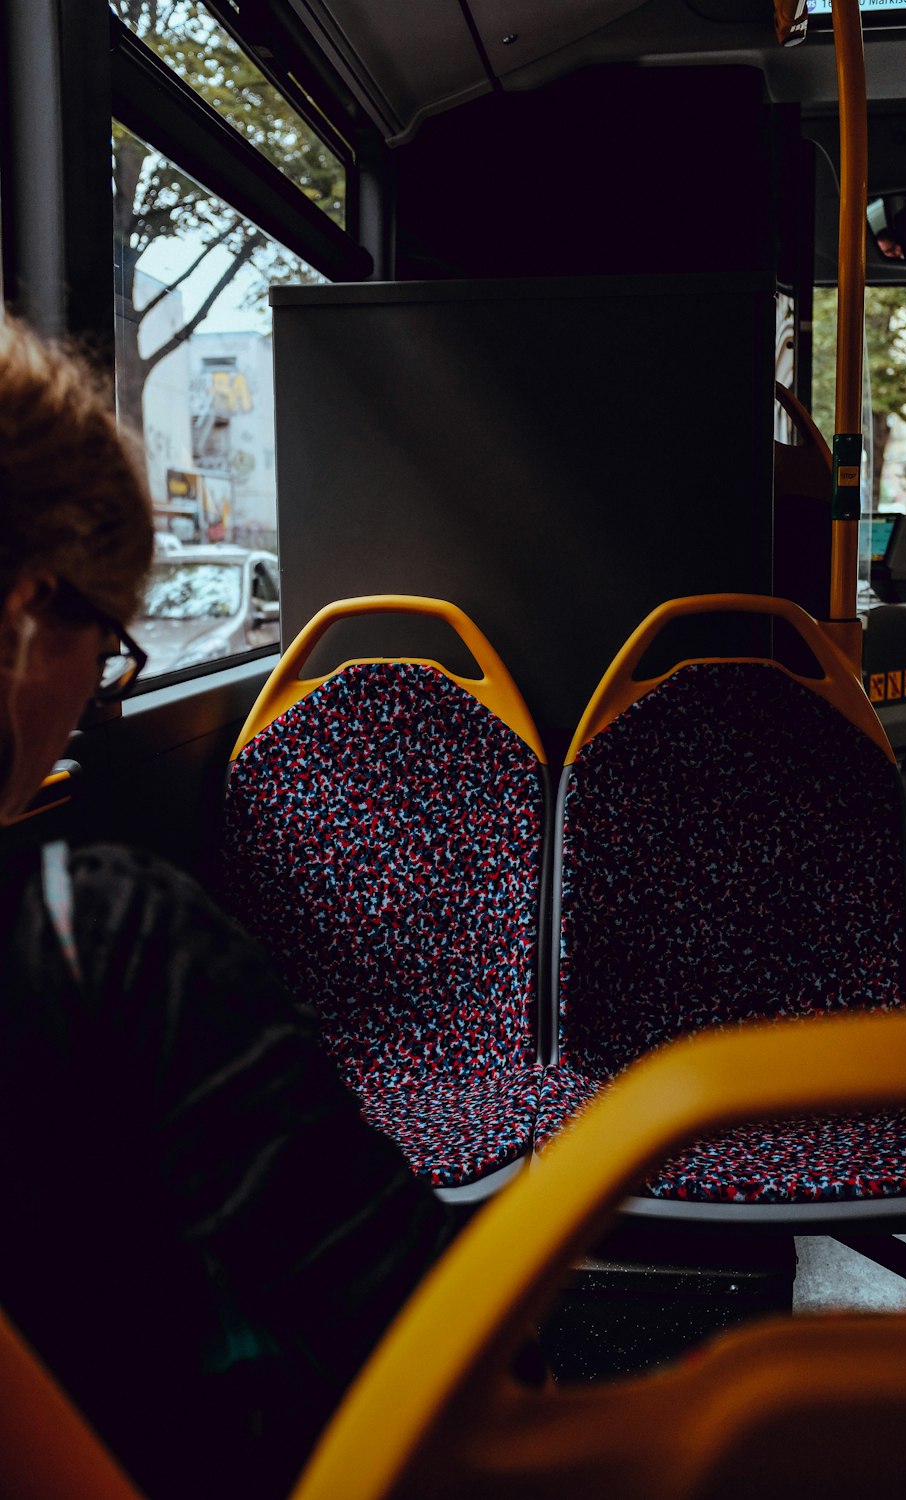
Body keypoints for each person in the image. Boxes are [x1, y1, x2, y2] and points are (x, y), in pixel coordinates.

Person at [0, 315, 454, 1497]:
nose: (101, 691)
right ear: (28, 616)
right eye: (110, 647)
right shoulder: (106, 943)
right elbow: (431, 1338)